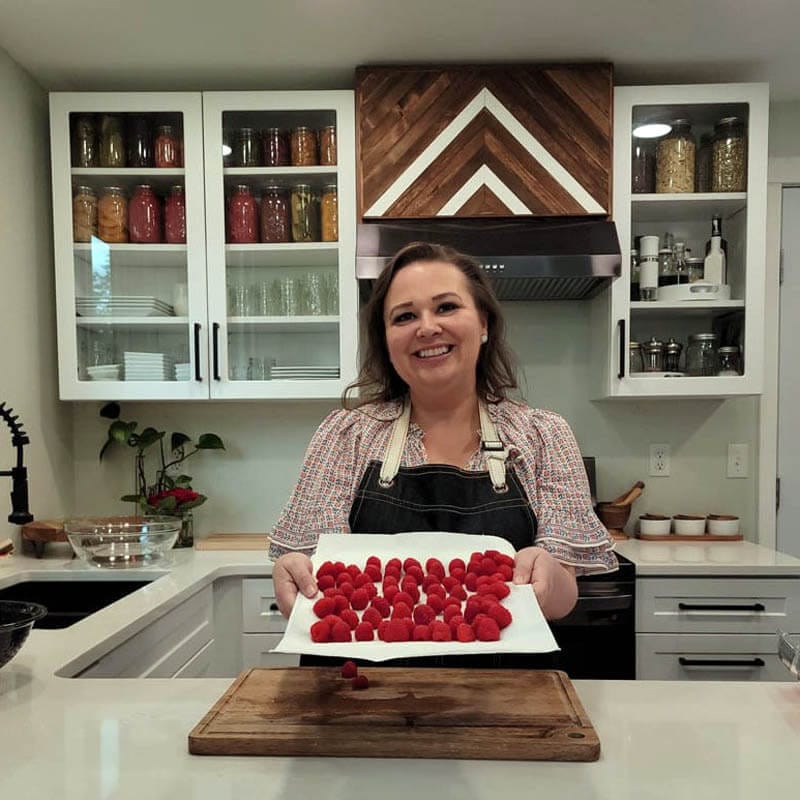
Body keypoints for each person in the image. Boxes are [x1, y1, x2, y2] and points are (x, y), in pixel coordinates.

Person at [270, 241, 617, 636]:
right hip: (360, 688)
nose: (427, 327)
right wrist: (293, 576)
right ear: (385, 339)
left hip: (501, 693)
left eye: (446, 307)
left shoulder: (543, 435)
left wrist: (549, 577)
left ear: (484, 322)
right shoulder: (345, 435)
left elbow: (563, 597)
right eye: (404, 316)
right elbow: (314, 577)